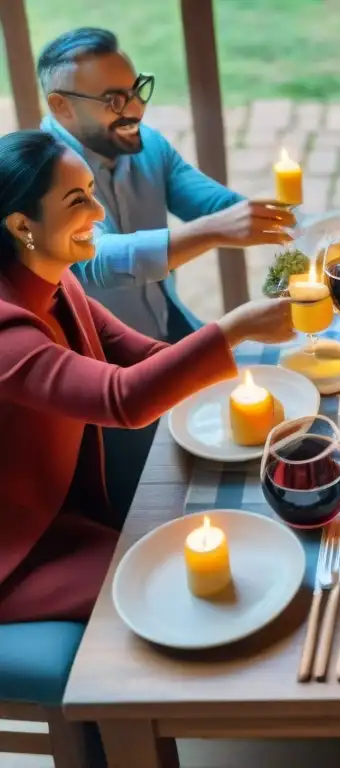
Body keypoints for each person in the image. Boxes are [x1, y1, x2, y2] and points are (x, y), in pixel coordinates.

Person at [0, 130, 295, 624]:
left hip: (71, 511)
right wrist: (236, 327)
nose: (97, 215)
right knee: (176, 595)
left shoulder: (56, 280)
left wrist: (244, 377)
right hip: (20, 548)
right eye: (78, 201)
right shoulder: (7, 328)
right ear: (22, 225)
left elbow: (141, 355)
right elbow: (124, 399)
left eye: (93, 192)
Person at [37, 26, 295, 341]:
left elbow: (216, 206)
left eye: (135, 90)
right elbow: (99, 260)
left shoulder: (149, 145)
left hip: (169, 327)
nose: (136, 109)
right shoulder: (42, 175)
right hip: (104, 361)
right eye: (114, 101)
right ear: (61, 106)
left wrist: (303, 230)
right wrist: (214, 230)